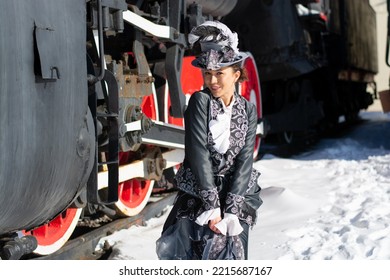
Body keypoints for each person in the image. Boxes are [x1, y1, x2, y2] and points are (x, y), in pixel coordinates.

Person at [156, 20, 262, 260]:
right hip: (201, 192)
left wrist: (232, 211)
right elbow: (198, 153)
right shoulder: (199, 102)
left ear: (236, 75)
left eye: (219, 74)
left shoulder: (248, 110)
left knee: (234, 251)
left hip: (236, 192)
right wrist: (213, 207)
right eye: (208, 74)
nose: (212, 81)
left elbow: (245, 160)